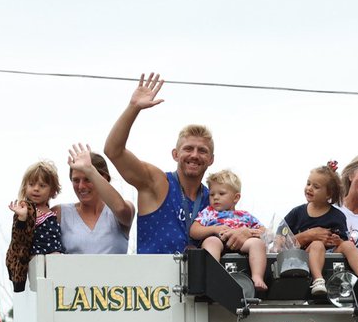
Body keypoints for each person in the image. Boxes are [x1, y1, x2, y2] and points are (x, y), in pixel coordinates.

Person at [104, 73, 213, 255]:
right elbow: (113, 151)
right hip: (154, 281)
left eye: (202, 151)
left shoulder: (215, 200)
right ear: (175, 154)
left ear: (211, 159)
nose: (194, 155)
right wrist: (133, 108)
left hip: (199, 282)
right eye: (188, 149)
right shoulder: (157, 182)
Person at [282, 163, 358, 295]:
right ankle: (318, 280)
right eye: (308, 183)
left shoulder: (337, 216)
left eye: (316, 187)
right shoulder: (297, 212)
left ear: (329, 194)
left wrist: (338, 241)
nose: (309, 188)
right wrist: (307, 236)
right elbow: (280, 239)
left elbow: (342, 239)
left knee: (348, 245)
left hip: (331, 252)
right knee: (317, 244)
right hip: (306, 254)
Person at [189, 169, 268, 291]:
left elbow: (263, 230)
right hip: (218, 240)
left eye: (221, 194)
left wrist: (251, 232)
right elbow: (194, 230)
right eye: (212, 194)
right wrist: (214, 229)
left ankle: (257, 277)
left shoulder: (244, 215)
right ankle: (212, 276)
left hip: (241, 243)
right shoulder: (209, 212)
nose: (215, 198)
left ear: (236, 198)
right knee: (210, 242)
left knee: (257, 244)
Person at [59, 143, 134, 254]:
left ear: (104, 179)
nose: (81, 186)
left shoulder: (118, 212)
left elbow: (121, 209)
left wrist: (90, 170)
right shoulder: (60, 213)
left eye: (88, 179)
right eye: (76, 180)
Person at [6, 160, 65, 291]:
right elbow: (19, 237)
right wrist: (22, 218)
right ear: (25, 187)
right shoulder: (27, 209)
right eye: (31, 184)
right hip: (37, 260)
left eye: (42, 185)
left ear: (52, 191)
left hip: (54, 261)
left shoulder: (51, 211)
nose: (36, 189)